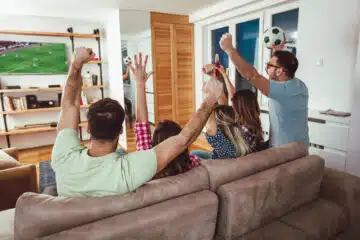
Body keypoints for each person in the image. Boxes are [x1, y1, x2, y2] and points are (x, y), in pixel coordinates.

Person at [51, 48, 223, 197]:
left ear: (88, 128)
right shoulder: (129, 170)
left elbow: (68, 104)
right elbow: (183, 139)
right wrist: (212, 98)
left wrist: (76, 64)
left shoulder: (63, 158)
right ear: (120, 131)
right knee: (200, 156)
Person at [219, 33, 309, 147]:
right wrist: (278, 52)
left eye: (269, 65)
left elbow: (251, 75)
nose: (266, 68)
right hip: (301, 146)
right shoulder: (299, 86)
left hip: (285, 151)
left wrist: (229, 50)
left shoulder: (282, 91)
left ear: (280, 71)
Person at [132, 53, 201, 179]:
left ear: (155, 142)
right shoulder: (192, 162)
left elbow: (141, 123)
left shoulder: (146, 162)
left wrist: (139, 84)